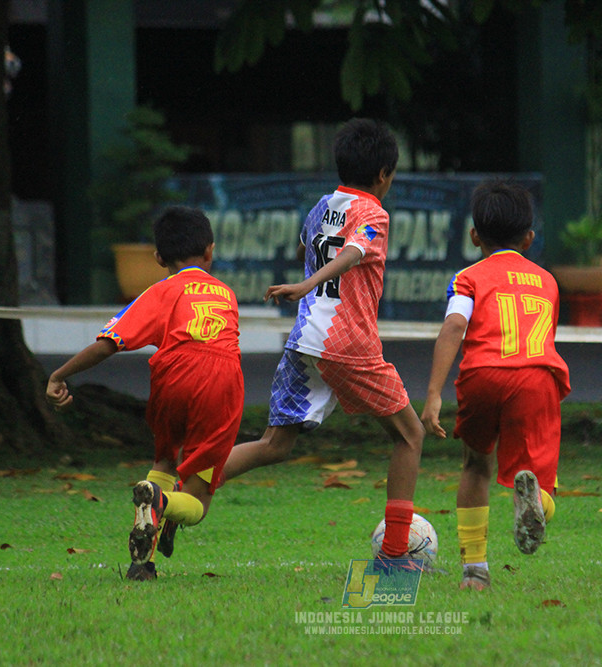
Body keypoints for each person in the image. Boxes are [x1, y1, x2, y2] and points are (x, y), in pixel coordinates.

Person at [220, 118, 426, 568]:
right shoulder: (374, 214)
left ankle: (179, 495)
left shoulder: (322, 205)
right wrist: (308, 281)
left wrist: (311, 268)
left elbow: (307, 247)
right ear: (384, 174)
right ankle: (395, 554)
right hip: (347, 344)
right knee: (411, 435)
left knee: (274, 443)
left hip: (304, 339)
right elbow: (353, 252)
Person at [45, 205, 244, 581]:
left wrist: (59, 374)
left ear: (158, 258)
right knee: (198, 501)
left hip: (171, 376)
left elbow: (109, 342)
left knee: (165, 462)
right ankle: (164, 506)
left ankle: (143, 565)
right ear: (210, 252)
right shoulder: (227, 294)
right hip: (221, 380)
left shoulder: (160, 292)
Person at [420, 179, 571, 591]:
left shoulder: (468, 277)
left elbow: (455, 325)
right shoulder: (547, 282)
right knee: (540, 479)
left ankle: (475, 570)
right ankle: (534, 503)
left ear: (474, 236)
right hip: (537, 378)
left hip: (482, 375)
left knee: (475, 465)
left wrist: (433, 393)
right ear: (529, 238)